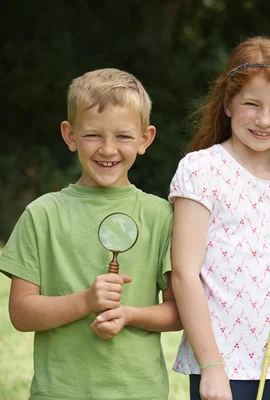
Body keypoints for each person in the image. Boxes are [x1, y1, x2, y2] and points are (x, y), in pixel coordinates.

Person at [0, 68, 181, 400]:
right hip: (59, 393)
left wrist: (130, 315)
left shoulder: (162, 216)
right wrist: (86, 301)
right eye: (93, 135)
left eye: (123, 137)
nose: (108, 149)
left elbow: (177, 311)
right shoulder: (42, 215)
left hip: (139, 392)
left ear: (145, 138)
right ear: (70, 136)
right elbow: (21, 314)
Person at [169, 36, 270, 400]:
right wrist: (211, 367)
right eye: (251, 104)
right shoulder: (203, 169)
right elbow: (183, 274)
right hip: (221, 365)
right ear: (227, 103)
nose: (264, 120)